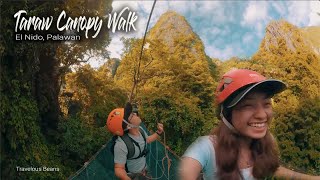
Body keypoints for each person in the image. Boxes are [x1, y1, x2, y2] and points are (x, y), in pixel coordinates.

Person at [179, 69, 320, 180]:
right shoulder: (207, 146)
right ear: (227, 114)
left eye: (266, 104)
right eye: (248, 105)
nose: (262, 115)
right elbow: (186, 170)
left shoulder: (265, 140)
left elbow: (272, 170)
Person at [107, 102, 164, 180]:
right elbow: (118, 168)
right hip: (133, 176)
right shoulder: (121, 145)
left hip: (145, 171)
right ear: (128, 126)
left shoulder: (140, 130)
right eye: (131, 115)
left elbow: (147, 140)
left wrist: (158, 133)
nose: (135, 114)